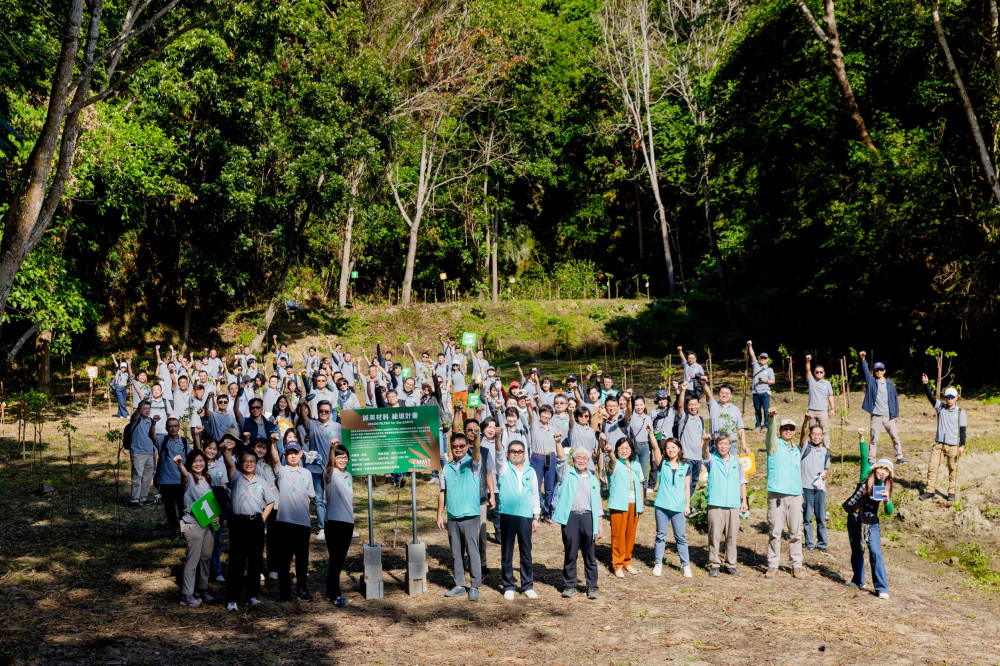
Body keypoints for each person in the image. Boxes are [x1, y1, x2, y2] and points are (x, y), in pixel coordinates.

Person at [222, 446, 277, 611]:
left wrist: (262, 518)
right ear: (241, 463)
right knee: (237, 562)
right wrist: (225, 450)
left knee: (256, 561)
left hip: (256, 523)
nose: (249, 464)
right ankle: (233, 598)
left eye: (252, 461)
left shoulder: (261, 480)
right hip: (238, 523)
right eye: (245, 461)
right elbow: (229, 463)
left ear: (256, 463)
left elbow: (271, 502)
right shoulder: (235, 476)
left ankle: (252, 595)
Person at [843, 428, 894, 599]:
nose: (882, 472)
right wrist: (861, 438)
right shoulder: (866, 474)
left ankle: (882, 588)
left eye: (886, 471)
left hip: (871, 522)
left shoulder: (885, 487)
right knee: (856, 550)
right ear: (876, 468)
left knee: (875, 552)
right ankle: (858, 580)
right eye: (881, 468)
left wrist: (887, 500)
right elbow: (864, 457)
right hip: (854, 517)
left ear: (888, 474)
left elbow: (889, 512)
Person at [552, 432, 602, 600]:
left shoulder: (593, 479)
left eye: (584, 458)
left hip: (588, 518)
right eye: (578, 457)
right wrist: (558, 442)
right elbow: (560, 459)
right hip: (571, 518)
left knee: (590, 554)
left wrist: (600, 525)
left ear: (588, 461)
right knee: (571, 552)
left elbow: (598, 504)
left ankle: (592, 586)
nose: (581, 460)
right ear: (573, 460)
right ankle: (570, 585)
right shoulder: (567, 473)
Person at [436, 432, 483, 601]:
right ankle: (459, 585)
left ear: (467, 447)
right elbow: (442, 492)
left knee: (472, 551)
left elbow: (477, 452)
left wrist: (476, 438)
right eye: (455, 446)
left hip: (470, 515)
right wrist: (439, 515)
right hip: (453, 516)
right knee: (456, 552)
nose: (458, 449)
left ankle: (475, 585)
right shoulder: (446, 468)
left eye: (462, 445)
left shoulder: (473, 464)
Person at [269, 439, 315, 601]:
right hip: (285, 523)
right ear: (285, 455)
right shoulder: (282, 471)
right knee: (284, 561)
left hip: (303, 524)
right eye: (290, 453)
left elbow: (310, 497)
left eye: (296, 453)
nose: (293, 456)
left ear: (301, 454)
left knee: (302, 560)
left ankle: (302, 589)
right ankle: (285, 593)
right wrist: (273, 444)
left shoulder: (307, 473)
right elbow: (274, 459)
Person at [494, 438, 540, 600]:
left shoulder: (530, 471)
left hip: (526, 516)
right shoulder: (504, 468)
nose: (516, 454)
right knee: (507, 551)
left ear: (524, 454)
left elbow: (535, 495)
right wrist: (497, 440)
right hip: (508, 514)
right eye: (513, 451)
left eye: (519, 451)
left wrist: (536, 517)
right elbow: (499, 454)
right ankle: (508, 586)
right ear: (509, 453)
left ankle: (527, 585)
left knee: (526, 551)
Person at [174, 449, 220, 606]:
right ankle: (187, 594)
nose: (199, 464)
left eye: (201, 461)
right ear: (189, 464)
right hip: (193, 524)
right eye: (195, 461)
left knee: (206, 558)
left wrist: (216, 517)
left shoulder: (206, 478)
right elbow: (184, 474)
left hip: (208, 524)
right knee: (193, 559)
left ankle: (202, 588)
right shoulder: (188, 478)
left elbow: (208, 502)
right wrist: (180, 464)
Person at [764, 408, 803, 579]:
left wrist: (800, 493)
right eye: (785, 428)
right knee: (775, 532)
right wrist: (771, 418)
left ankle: (797, 566)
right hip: (777, 496)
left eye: (791, 429)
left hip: (794, 496)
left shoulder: (796, 450)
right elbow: (771, 432)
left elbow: (798, 473)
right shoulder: (774, 445)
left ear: (795, 432)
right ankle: (773, 565)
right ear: (780, 431)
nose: (788, 431)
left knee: (795, 533)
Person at [703, 431, 748, 577]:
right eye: (720, 443)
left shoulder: (737, 460)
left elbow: (742, 481)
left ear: (730, 445)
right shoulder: (711, 459)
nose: (723, 446)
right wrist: (705, 442)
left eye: (726, 444)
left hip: (733, 503)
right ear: (716, 445)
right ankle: (714, 564)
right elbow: (704, 453)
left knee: (732, 536)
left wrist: (744, 500)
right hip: (716, 502)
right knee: (714, 535)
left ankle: (730, 564)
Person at [298, 400, 341, 540]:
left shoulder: (337, 426)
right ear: (317, 411)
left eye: (326, 411)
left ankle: (336, 525)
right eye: (321, 411)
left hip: (331, 469)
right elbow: (304, 418)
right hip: (314, 468)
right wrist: (303, 405)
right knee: (318, 500)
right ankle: (323, 528)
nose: (323, 413)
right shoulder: (312, 424)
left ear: (330, 412)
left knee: (334, 499)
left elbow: (341, 449)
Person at [919, 375, 967, 502]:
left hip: (953, 446)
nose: (949, 399)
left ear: (956, 398)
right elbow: (930, 397)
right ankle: (929, 491)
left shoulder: (961, 412)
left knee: (953, 469)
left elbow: (963, 430)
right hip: (939, 444)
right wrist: (926, 384)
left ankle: (951, 492)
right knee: (932, 467)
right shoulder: (940, 407)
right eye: (947, 397)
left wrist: (962, 445)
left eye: (952, 397)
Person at [603, 435, 643, 578]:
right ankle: (617, 564)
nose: (624, 451)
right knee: (618, 535)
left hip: (634, 503)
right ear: (616, 450)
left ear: (631, 449)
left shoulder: (637, 465)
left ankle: (627, 561)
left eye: (627, 448)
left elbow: (640, 484)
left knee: (630, 535)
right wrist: (609, 452)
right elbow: (612, 460)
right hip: (619, 504)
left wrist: (641, 504)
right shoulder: (614, 463)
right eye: (621, 448)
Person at [651, 437, 691, 578]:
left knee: (680, 537)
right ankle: (658, 563)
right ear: (665, 450)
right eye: (668, 448)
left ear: (679, 448)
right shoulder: (662, 464)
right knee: (660, 535)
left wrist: (687, 505)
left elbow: (687, 487)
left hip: (678, 506)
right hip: (662, 505)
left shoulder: (685, 466)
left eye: (674, 447)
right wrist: (651, 434)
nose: (671, 450)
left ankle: (685, 565)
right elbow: (655, 448)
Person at [859, 351, 904, 464]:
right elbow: (865, 372)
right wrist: (863, 359)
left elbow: (894, 399)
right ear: (874, 372)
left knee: (895, 436)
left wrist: (896, 414)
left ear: (884, 371)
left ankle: (899, 457)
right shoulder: (872, 382)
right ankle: (871, 459)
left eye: (880, 370)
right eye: (876, 370)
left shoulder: (889, 383)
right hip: (876, 416)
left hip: (888, 415)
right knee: (874, 438)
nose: (878, 371)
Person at [325, 443, 352, 607]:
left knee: (340, 559)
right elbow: (329, 464)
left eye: (344, 457)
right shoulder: (330, 473)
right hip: (334, 521)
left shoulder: (348, 476)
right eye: (339, 457)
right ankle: (335, 594)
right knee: (335, 558)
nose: (342, 460)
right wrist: (331, 449)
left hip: (348, 522)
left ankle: (331, 591)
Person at [799, 414, 830, 554]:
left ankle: (822, 544)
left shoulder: (825, 451)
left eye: (819, 434)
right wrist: (805, 421)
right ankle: (810, 543)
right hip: (806, 487)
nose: (816, 437)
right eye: (814, 434)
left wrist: (825, 473)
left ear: (822, 436)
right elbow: (802, 434)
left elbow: (827, 468)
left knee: (821, 517)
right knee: (807, 517)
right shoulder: (805, 447)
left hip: (820, 489)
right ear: (811, 436)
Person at [155, 417, 190, 534]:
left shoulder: (184, 442)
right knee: (169, 508)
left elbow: (189, 460)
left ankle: (183, 529)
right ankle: (173, 529)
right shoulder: (162, 440)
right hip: (166, 481)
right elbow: (151, 436)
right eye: (171, 426)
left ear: (179, 427)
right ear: (166, 428)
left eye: (175, 425)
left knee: (182, 507)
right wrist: (153, 423)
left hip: (181, 480)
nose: (173, 428)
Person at [673, 381, 706, 497]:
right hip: (686, 457)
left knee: (693, 483)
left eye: (695, 404)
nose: (693, 407)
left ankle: (687, 504)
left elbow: (702, 438)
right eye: (690, 405)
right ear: (688, 406)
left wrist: (701, 455)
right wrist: (682, 390)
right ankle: (681, 505)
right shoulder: (684, 418)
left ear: (699, 405)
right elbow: (680, 404)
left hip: (697, 458)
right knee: (685, 482)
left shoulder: (701, 420)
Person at [528, 401, 559, 521]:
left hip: (550, 457)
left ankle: (548, 513)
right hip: (537, 458)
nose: (546, 416)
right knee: (535, 486)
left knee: (549, 487)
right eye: (544, 413)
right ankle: (535, 513)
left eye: (548, 414)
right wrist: (528, 405)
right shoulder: (535, 425)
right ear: (540, 414)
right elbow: (531, 416)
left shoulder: (553, 428)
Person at [703, 379, 748, 454]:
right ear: (718, 394)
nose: (724, 395)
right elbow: (708, 394)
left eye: (727, 393)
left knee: (732, 465)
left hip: (731, 445)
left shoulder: (735, 409)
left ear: (731, 396)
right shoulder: (713, 405)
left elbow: (740, 429)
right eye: (722, 393)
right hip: (715, 444)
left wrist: (744, 445)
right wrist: (703, 384)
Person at [126, 400, 156, 507]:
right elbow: (138, 410)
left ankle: (143, 498)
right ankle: (135, 499)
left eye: (148, 408)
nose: (147, 411)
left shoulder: (151, 421)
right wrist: (142, 402)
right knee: (137, 476)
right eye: (144, 408)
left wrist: (154, 448)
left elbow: (151, 437)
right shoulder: (136, 419)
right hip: (138, 453)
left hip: (149, 453)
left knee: (147, 477)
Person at [804, 355, 836, 448]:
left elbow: (830, 396)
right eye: (817, 372)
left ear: (824, 373)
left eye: (821, 372)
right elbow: (807, 370)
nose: (819, 373)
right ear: (814, 373)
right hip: (812, 411)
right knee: (813, 432)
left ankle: (826, 450)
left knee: (824, 431)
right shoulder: (811, 381)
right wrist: (807, 361)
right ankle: (813, 449)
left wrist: (832, 408)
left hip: (822, 411)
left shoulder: (827, 383)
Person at [629, 396, 656, 497]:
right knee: (635, 473)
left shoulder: (648, 418)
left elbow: (650, 435)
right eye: (636, 405)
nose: (639, 407)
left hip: (645, 446)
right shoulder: (631, 416)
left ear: (644, 405)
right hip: (634, 447)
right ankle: (634, 496)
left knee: (644, 474)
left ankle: (643, 497)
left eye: (641, 405)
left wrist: (652, 449)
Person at [747, 340, 774, 431]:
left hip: (765, 392)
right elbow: (752, 355)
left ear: (767, 360)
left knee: (766, 410)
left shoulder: (769, 369)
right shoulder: (756, 365)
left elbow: (773, 381)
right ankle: (758, 425)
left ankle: (765, 426)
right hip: (755, 392)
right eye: (761, 358)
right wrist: (750, 346)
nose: (762, 359)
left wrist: (765, 381)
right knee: (757, 410)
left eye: (764, 358)